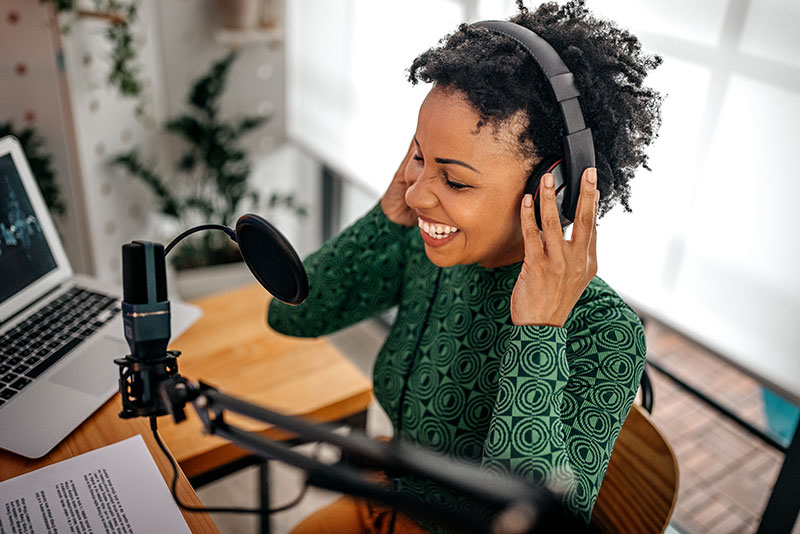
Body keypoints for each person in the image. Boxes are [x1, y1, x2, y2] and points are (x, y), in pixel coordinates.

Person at [268, 1, 662, 532]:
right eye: (419, 156)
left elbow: (526, 519)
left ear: (556, 191)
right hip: (389, 499)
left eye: (454, 180)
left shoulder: (604, 330)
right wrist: (388, 217)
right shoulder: (428, 246)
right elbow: (294, 315)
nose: (419, 192)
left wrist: (539, 333)